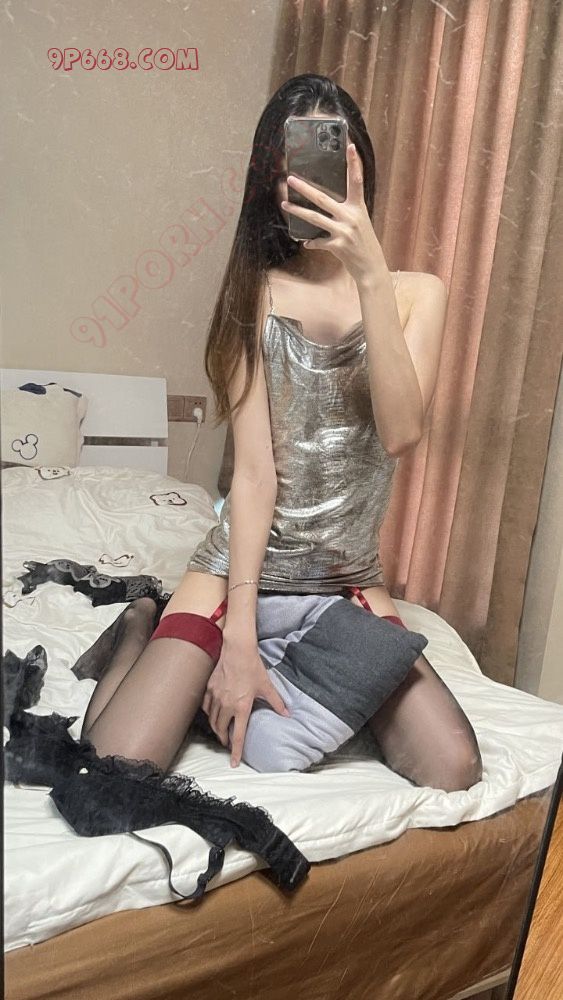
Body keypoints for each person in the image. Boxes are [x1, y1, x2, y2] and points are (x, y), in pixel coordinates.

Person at [78, 73, 482, 793]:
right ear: (272, 181)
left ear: (360, 166)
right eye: (295, 166)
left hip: (344, 580)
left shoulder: (417, 294)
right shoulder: (254, 291)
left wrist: (368, 271)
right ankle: (143, 622)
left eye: (333, 158)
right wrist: (236, 639)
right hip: (239, 569)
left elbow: (400, 433)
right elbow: (255, 475)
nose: (314, 183)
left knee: (450, 765)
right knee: (116, 765)